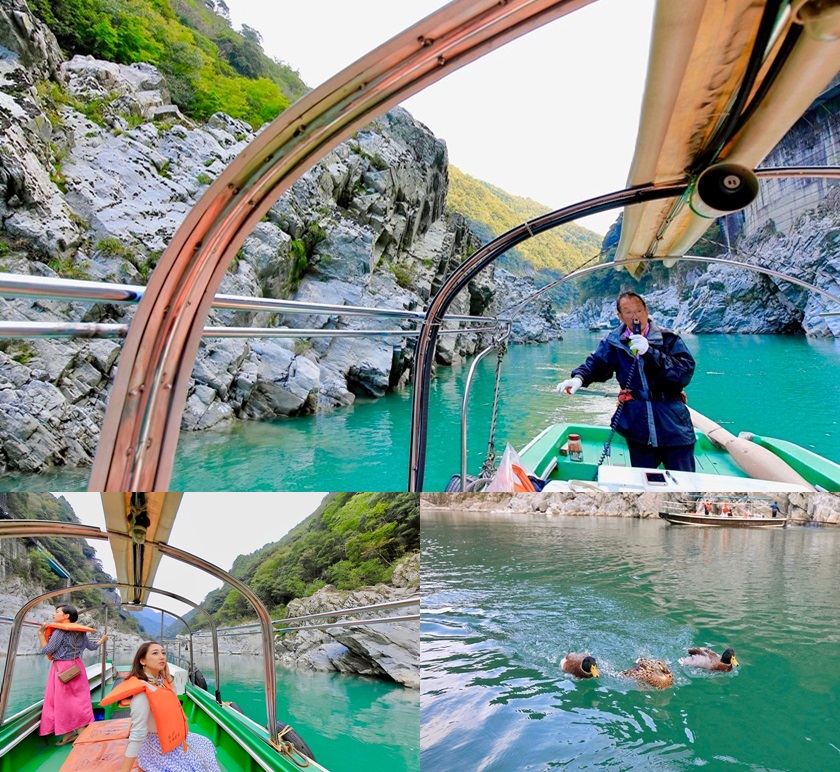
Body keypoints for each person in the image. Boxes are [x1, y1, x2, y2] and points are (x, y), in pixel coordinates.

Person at [557, 291, 697, 471]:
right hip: (637, 425)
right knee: (642, 480)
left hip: (673, 423)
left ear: (646, 311)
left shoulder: (668, 338)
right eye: (628, 312)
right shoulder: (614, 342)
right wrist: (579, 378)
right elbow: (597, 364)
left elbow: (684, 373)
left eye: (638, 311)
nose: (635, 316)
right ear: (620, 316)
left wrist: (651, 353)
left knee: (684, 481)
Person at [101, 641, 220, 772]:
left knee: (205, 743)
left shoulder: (160, 682)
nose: (162, 656)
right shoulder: (142, 693)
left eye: (163, 653)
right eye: (155, 653)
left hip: (173, 740)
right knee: (195, 765)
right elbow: (137, 734)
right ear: (142, 661)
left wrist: (168, 677)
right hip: (156, 748)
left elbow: (172, 701)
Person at [38, 604, 108, 746]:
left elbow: (47, 650)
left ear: (66, 616)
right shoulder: (80, 631)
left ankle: (77, 732)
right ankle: (74, 732)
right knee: (79, 699)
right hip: (77, 666)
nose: (53, 614)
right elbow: (92, 647)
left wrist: (41, 633)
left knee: (63, 702)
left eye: (57, 612)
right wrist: (101, 641)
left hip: (62, 668)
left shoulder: (59, 632)